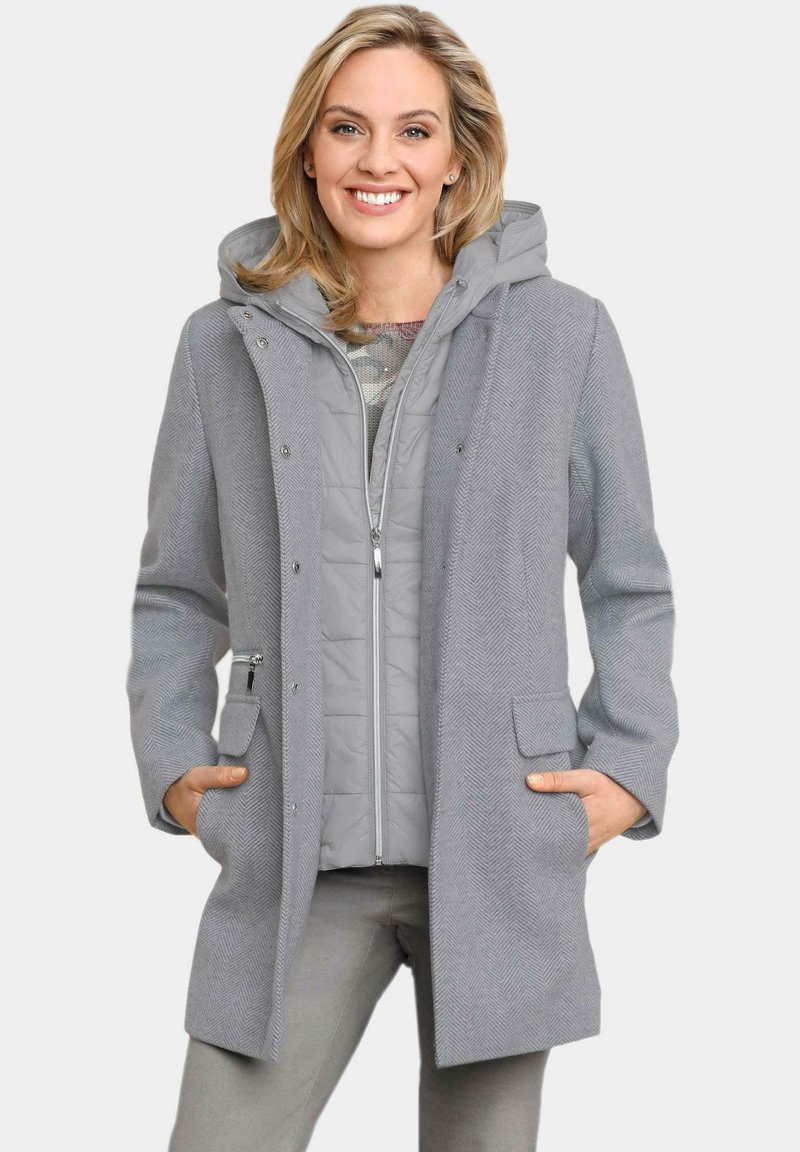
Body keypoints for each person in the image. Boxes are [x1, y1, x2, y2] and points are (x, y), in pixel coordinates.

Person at [126, 6, 679, 1150]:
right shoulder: (221, 346)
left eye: (413, 131)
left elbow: (627, 579)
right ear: (306, 150)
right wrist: (176, 763)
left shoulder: (561, 336)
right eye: (346, 128)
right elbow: (176, 588)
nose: (377, 160)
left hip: (497, 839)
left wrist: (628, 765)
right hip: (291, 850)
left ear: (457, 158)